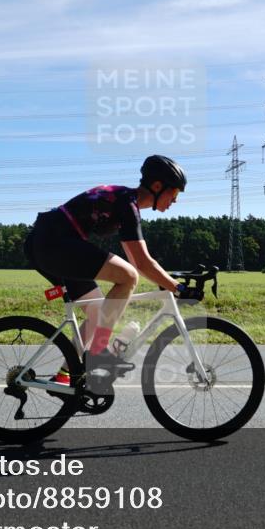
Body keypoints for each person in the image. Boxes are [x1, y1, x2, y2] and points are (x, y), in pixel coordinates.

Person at [23, 155, 194, 386]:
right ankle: (98, 354)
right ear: (156, 186)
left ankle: (66, 376)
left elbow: (140, 258)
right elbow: (140, 264)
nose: (175, 201)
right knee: (128, 277)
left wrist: (168, 282)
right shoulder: (127, 203)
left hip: (50, 243)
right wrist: (177, 287)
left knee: (97, 312)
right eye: (174, 194)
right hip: (54, 242)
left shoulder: (127, 203)